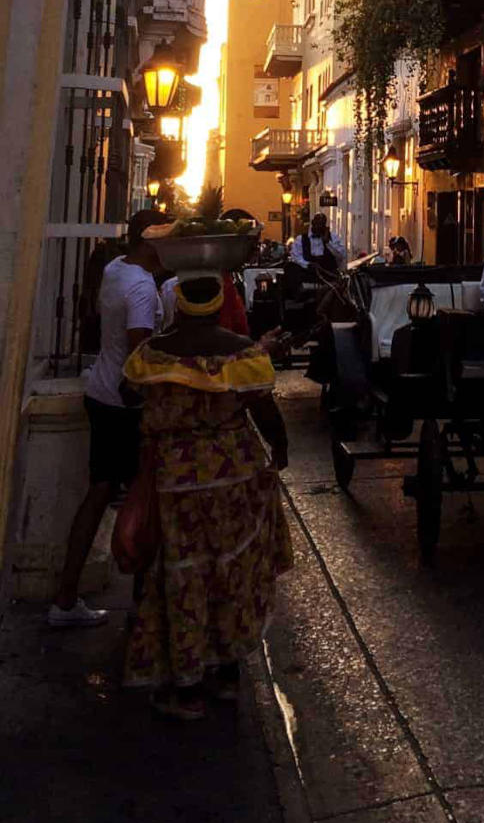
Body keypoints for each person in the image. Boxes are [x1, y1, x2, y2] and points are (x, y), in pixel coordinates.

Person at [122, 273, 293, 720]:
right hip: (234, 476)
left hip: (176, 481)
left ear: (179, 304)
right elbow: (263, 406)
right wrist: (280, 446)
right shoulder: (241, 352)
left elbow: (129, 394)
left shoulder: (154, 354)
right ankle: (227, 673)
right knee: (232, 568)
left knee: (182, 575)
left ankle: (187, 685)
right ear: (219, 306)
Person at [49, 209, 165, 626]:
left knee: (99, 492)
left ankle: (66, 598)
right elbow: (140, 353)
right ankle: (143, 609)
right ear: (149, 241)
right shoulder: (142, 289)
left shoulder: (117, 268)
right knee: (145, 501)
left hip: (100, 391)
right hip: (124, 404)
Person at [289, 212, 346, 282]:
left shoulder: (333, 238)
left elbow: (341, 256)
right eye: (317, 223)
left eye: (322, 224)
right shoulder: (301, 239)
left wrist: (328, 243)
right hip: (307, 275)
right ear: (312, 222)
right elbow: (295, 256)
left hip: (328, 276)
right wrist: (307, 264)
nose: (319, 226)